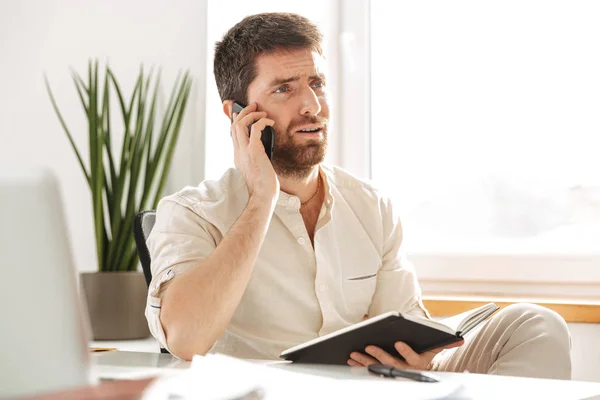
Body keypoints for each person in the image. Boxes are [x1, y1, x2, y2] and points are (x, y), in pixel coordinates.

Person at [145, 12, 571, 379]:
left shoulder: (370, 204)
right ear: (238, 114)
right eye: (284, 89)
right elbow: (185, 338)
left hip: (369, 385)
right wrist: (261, 199)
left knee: (534, 324)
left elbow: (404, 323)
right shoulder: (192, 212)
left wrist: (413, 357)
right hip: (268, 391)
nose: (312, 105)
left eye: (317, 83)